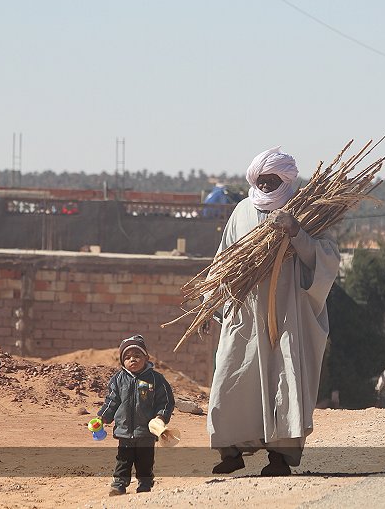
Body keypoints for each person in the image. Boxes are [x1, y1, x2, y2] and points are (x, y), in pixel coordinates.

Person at [206, 146, 341, 476]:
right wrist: (211, 299)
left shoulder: (307, 211)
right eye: (261, 181)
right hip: (246, 311)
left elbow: (327, 260)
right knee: (232, 375)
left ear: (286, 180)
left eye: (272, 181)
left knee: (285, 379)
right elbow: (223, 259)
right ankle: (231, 450)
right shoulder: (240, 211)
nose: (265, 187)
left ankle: (280, 458)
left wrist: (297, 232)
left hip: (287, 313)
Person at [97, 334, 175, 496]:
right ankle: (119, 484)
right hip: (124, 431)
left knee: (145, 461)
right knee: (123, 460)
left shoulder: (156, 379)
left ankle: (145, 484)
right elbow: (111, 401)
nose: (132, 359)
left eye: (137, 355)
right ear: (122, 361)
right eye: (127, 357)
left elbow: (166, 401)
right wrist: (102, 418)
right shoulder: (118, 380)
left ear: (146, 357)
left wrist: (161, 417)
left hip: (146, 431)